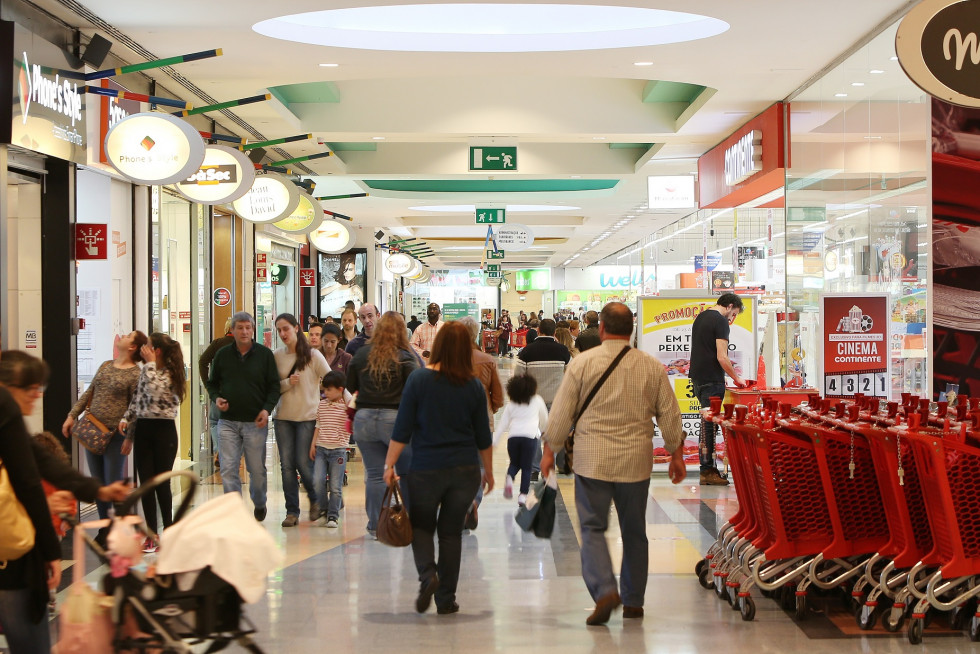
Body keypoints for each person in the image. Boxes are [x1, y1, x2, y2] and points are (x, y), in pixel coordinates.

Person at [541, 302, 686, 626]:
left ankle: (605, 589)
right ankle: (633, 601)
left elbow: (562, 412)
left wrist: (550, 449)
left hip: (592, 461)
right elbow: (669, 412)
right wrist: (675, 453)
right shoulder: (651, 366)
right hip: (635, 462)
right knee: (635, 531)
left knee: (592, 528)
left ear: (602, 329)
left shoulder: (582, 364)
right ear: (631, 330)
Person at [0, 350, 129, 654]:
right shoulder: (4, 405)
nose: (36, 396)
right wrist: (50, 552)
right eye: (31, 388)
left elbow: (38, 458)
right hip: (13, 559)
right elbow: (30, 481)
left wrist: (96, 491)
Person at [384, 322, 494, 615]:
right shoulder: (471, 385)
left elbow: (403, 427)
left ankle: (427, 576)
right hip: (464, 471)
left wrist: (390, 463)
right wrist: (489, 471)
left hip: (425, 469)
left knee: (421, 527)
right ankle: (446, 599)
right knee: (450, 534)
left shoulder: (419, 380)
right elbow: (483, 435)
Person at [62, 330, 147, 524]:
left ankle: (117, 527)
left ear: (132, 347)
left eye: (128, 336)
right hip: (93, 430)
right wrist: (72, 415)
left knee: (112, 482)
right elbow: (89, 392)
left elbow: (136, 408)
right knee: (98, 484)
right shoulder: (106, 365)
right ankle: (104, 527)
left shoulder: (136, 374)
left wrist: (130, 437)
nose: (123, 336)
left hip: (115, 436)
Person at [346, 311, 418, 538]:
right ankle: (410, 521)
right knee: (406, 472)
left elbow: (349, 385)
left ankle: (377, 526)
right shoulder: (405, 356)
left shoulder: (362, 354)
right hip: (396, 420)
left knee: (376, 475)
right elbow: (416, 389)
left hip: (364, 419)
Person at [206, 311, 281, 521]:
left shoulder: (265, 356)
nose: (244, 331)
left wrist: (267, 409)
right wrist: (216, 397)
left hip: (255, 422)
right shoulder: (222, 355)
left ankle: (259, 501)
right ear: (232, 330)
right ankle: (234, 512)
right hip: (227, 421)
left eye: (248, 327)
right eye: (240, 327)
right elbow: (212, 383)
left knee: (256, 470)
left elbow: (273, 387)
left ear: (253, 330)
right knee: (229, 468)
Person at [118, 333, 185, 551]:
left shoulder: (171, 373)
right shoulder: (147, 371)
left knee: (161, 483)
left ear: (156, 351)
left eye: (148, 347)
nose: (143, 350)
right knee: (146, 484)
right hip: (144, 430)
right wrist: (126, 420)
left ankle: (169, 530)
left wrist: (149, 365)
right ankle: (151, 533)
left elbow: (156, 391)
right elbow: (139, 398)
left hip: (164, 431)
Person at [273, 313, 331, 527]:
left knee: (303, 462)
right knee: (287, 466)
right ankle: (292, 512)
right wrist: (288, 382)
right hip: (283, 418)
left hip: (307, 417)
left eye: (286, 328)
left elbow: (332, 378)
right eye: (279, 330)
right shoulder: (277, 356)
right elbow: (272, 387)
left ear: (297, 328)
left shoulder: (314, 356)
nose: (283, 334)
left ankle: (316, 499)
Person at [690, 293, 746, 486]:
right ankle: (707, 471)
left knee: (707, 424)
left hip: (698, 379)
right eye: (734, 314)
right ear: (730, 306)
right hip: (712, 379)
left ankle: (708, 469)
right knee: (709, 426)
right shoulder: (720, 321)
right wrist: (737, 378)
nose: (732, 319)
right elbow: (722, 357)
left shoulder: (702, 317)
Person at [457, 316, 504, 529]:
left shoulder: (449, 360)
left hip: (455, 422)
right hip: (482, 421)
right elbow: (499, 397)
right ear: (476, 334)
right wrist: (490, 409)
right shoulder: (486, 359)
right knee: (479, 465)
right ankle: (474, 501)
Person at [493, 374, 547, 505]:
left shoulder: (512, 404)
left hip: (513, 438)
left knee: (514, 464)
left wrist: (494, 441)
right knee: (527, 468)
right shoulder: (537, 400)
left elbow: (502, 424)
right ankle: (522, 495)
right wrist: (546, 434)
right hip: (530, 437)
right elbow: (545, 419)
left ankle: (510, 479)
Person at [310, 370, 350, 528]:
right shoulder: (321, 405)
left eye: (329, 390)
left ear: (340, 390)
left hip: (338, 451)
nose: (325, 393)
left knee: (335, 485)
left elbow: (353, 406)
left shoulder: (347, 407)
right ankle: (325, 508)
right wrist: (313, 444)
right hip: (321, 449)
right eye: (324, 390)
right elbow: (318, 425)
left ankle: (333, 515)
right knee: (317, 481)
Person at [199, 319, 235, 469]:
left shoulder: (217, 343)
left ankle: (219, 450)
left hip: (219, 391)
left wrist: (208, 384)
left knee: (215, 422)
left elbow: (202, 361)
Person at [320, 253, 365, 318]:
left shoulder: (355, 288)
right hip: (323, 316)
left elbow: (364, 306)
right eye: (345, 269)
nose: (346, 273)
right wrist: (336, 286)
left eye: (350, 269)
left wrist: (348, 310)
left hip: (336, 318)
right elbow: (320, 293)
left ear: (356, 271)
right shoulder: (335, 283)